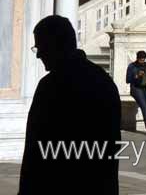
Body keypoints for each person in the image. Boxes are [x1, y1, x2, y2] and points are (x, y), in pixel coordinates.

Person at [18, 15, 121, 194]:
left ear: (55, 45)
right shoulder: (104, 81)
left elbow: (36, 151)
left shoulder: (51, 86)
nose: (39, 54)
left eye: (40, 47)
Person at [126, 50, 146, 136]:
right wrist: (137, 75)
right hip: (136, 88)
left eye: (143, 59)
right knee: (144, 106)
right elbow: (128, 80)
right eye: (141, 59)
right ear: (137, 58)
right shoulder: (132, 66)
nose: (142, 61)